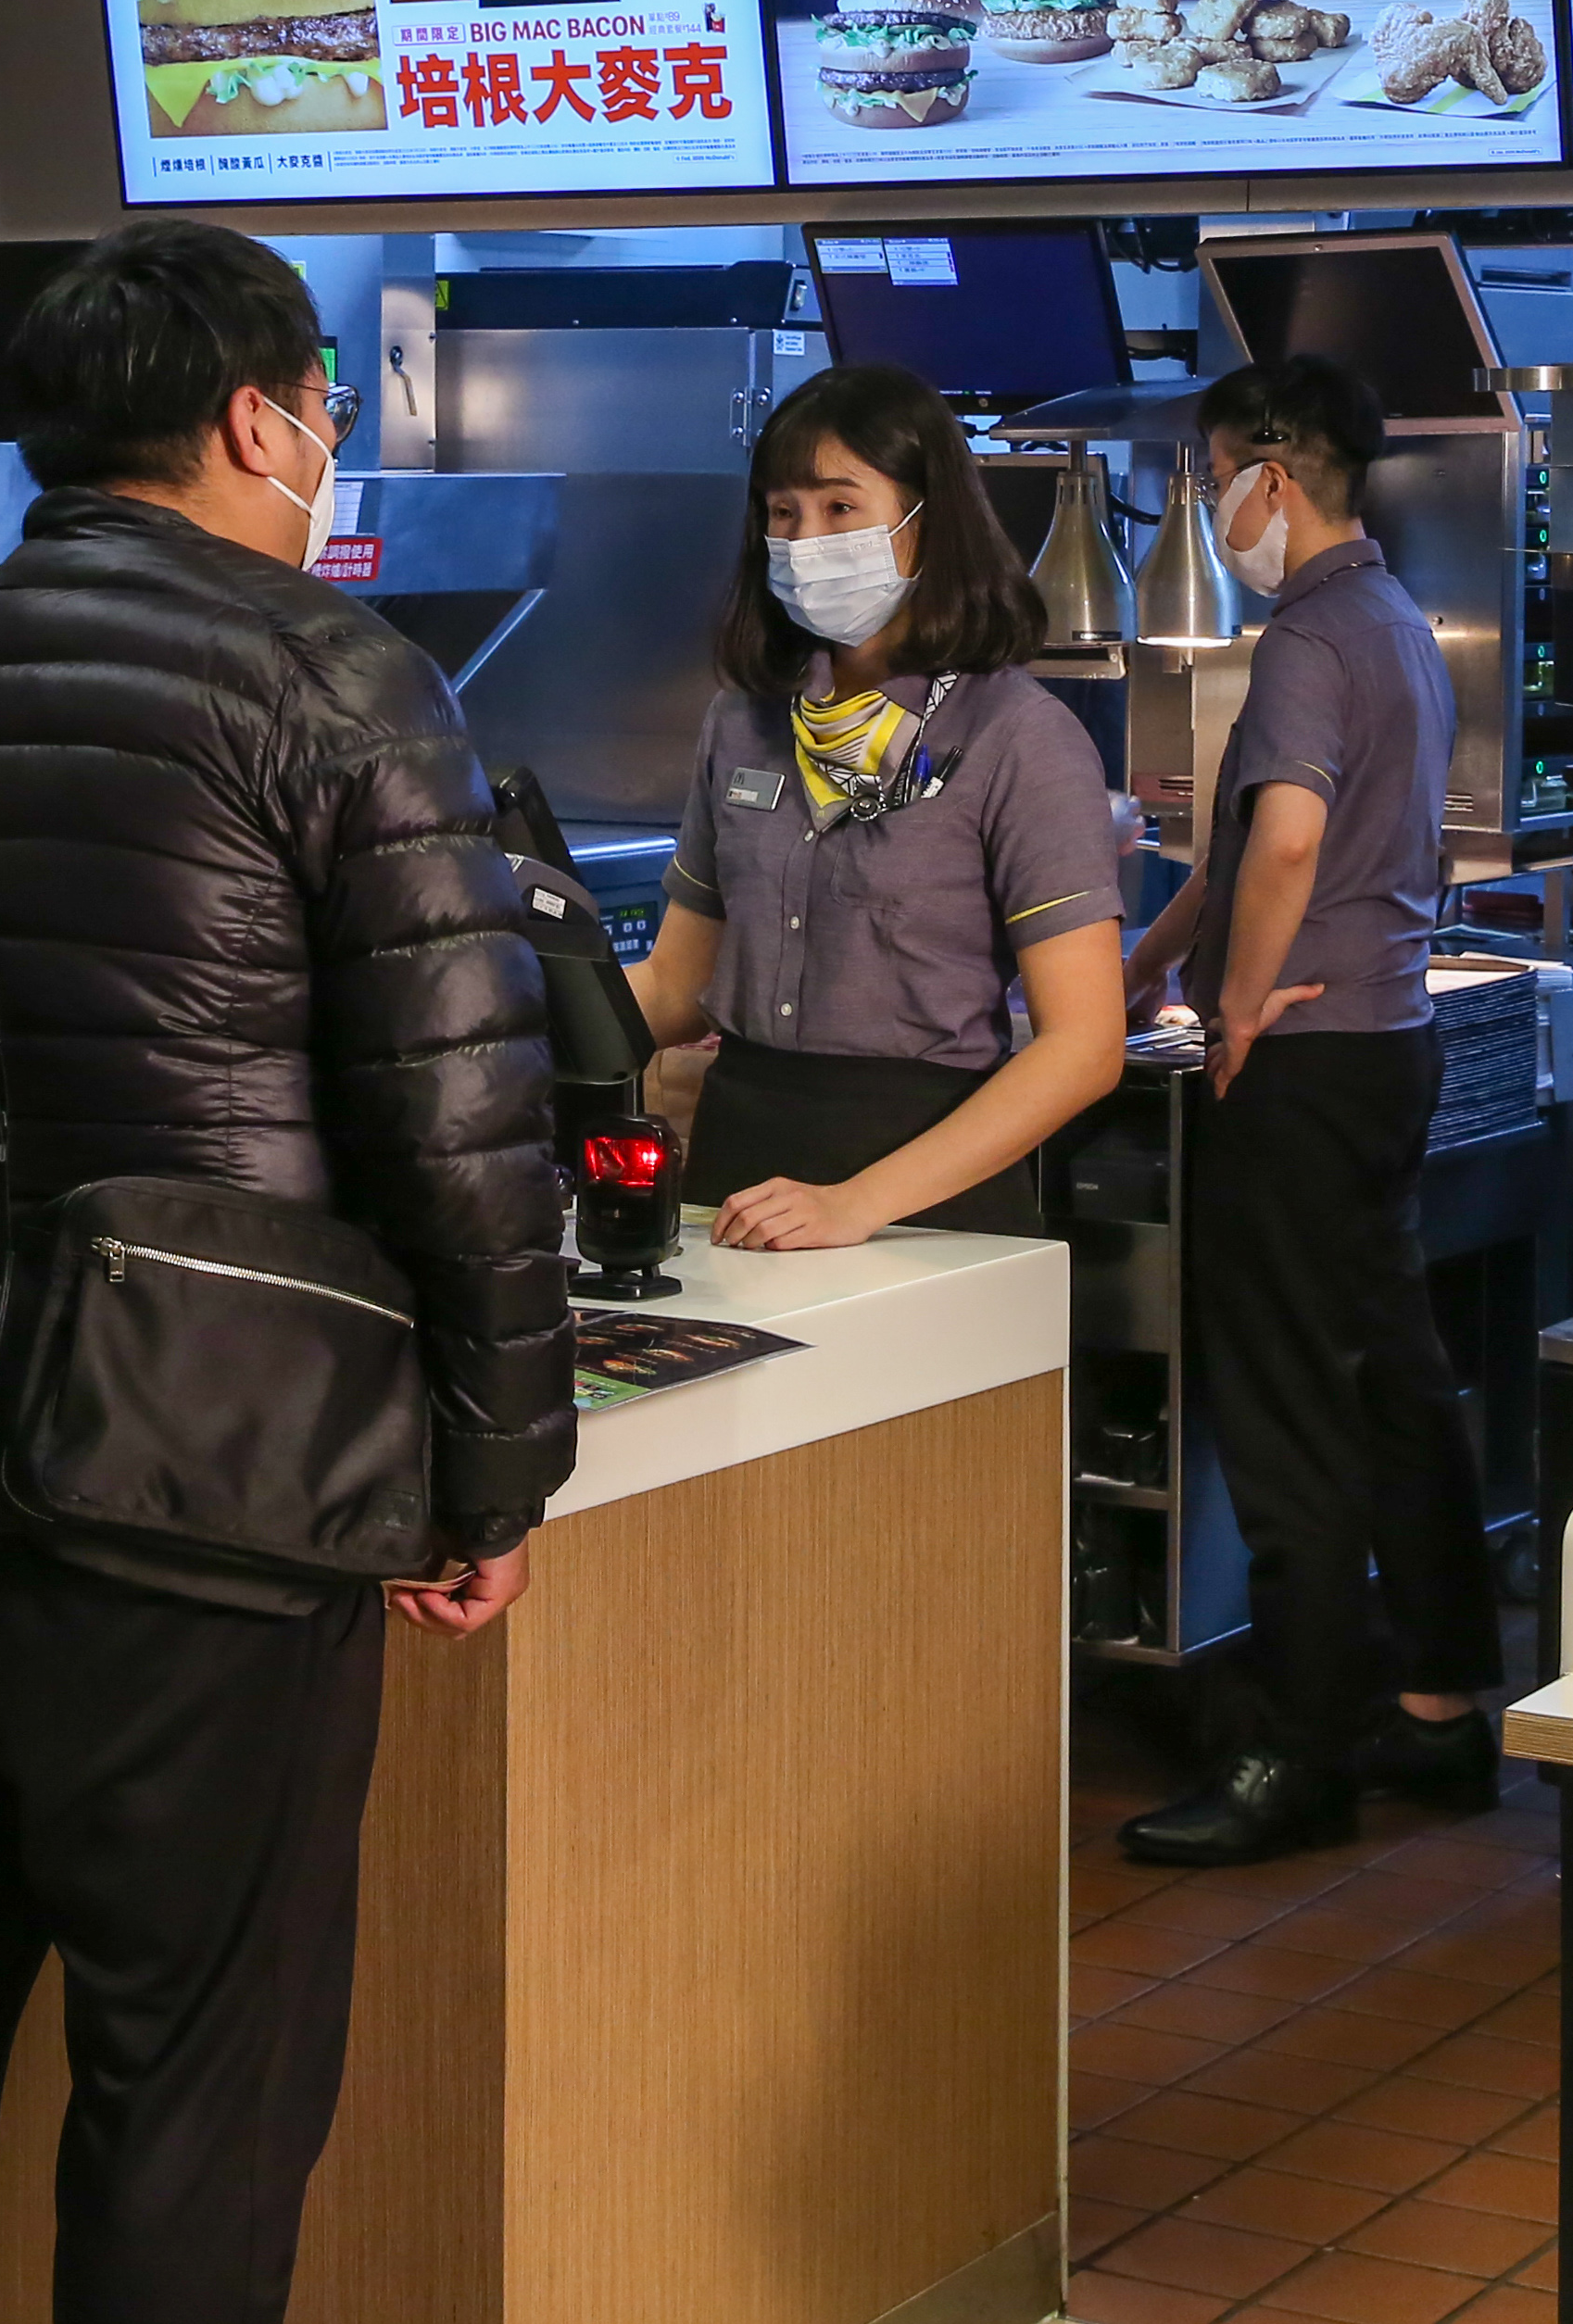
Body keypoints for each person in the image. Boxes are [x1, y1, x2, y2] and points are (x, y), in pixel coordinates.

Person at [0, 216, 573, 2324]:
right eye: (321, 407)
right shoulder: (336, 677)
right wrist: (490, 1480)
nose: (324, 445)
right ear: (253, 413)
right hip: (202, 1490)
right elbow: (459, 1131)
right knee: (194, 2072)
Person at [1107, 356, 1498, 1869]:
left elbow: (1280, 843)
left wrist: (1240, 1003)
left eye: (1206, 478)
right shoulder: (1387, 622)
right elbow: (1237, 848)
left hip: (1306, 1058)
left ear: (1268, 475)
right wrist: (1152, 962)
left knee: (1280, 1409)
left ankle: (1295, 1748)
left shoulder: (1303, 639)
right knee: (1392, 1377)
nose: (1205, 507)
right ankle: (1434, 1701)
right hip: (1384, 1046)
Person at [631, 362, 1128, 1249]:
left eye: (839, 507)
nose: (805, 539)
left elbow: (1084, 1045)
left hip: (924, 1191)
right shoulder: (744, 719)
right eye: (783, 513)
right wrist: (499, 1016)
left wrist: (859, 1202)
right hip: (735, 1176)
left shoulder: (1019, 736)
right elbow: (674, 987)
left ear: (926, 520)